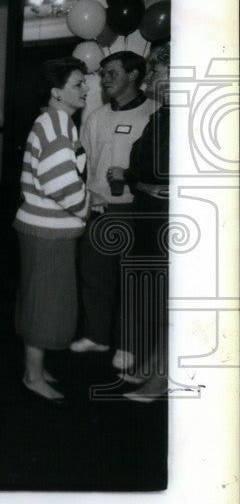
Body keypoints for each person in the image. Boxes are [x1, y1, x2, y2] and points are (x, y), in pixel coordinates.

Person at [13, 58, 92, 404]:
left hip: (40, 228)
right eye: (78, 84)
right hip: (48, 232)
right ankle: (32, 376)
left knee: (39, 299)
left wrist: (85, 193)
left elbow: (58, 177)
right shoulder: (59, 123)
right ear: (57, 92)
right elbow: (60, 183)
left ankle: (36, 368)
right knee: (45, 304)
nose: (86, 89)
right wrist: (88, 203)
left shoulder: (51, 120)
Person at [71, 50, 156, 370]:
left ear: (134, 75)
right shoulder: (96, 117)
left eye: (112, 73)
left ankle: (129, 346)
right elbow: (86, 161)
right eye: (103, 74)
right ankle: (97, 335)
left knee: (131, 278)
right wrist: (87, 196)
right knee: (93, 273)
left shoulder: (153, 113)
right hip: (99, 208)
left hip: (135, 208)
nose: (105, 80)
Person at [107, 43, 171, 401]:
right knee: (155, 294)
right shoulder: (162, 115)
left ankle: (159, 378)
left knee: (169, 298)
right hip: (150, 211)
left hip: (166, 218)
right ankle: (151, 366)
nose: (148, 82)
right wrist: (140, 178)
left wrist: (136, 175)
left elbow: (159, 166)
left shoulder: (185, 116)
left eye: (157, 74)